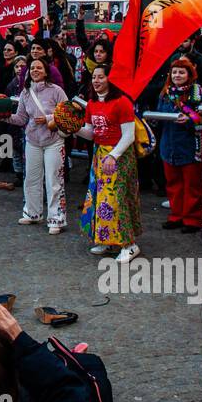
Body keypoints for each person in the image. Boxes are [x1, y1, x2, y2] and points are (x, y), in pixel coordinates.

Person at [0, 57, 69, 234]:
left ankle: (56, 218)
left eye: (39, 68)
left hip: (53, 140)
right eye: (33, 68)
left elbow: (68, 113)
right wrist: (2, 116)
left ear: (46, 71)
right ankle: (32, 212)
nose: (35, 70)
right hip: (32, 141)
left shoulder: (56, 90)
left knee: (53, 180)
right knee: (31, 178)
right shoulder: (26, 93)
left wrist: (49, 119)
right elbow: (20, 118)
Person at [77, 64, 141, 261]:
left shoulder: (122, 102)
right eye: (94, 77)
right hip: (99, 153)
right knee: (98, 197)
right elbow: (90, 133)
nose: (96, 81)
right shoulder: (92, 103)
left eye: (101, 77)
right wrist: (72, 127)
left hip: (119, 155)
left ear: (110, 79)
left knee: (117, 199)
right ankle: (106, 239)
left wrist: (113, 155)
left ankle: (129, 244)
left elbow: (129, 135)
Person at [155, 57, 202, 235]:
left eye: (181, 72)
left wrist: (191, 118)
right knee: (173, 182)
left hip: (190, 144)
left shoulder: (197, 92)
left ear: (190, 74)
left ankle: (193, 218)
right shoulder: (165, 93)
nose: (177, 75)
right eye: (175, 71)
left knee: (193, 183)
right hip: (169, 143)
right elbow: (159, 114)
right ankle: (176, 214)